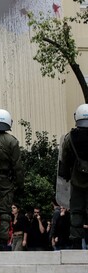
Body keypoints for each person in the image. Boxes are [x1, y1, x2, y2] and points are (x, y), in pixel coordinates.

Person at [0, 109, 24, 250]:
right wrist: (19, 183)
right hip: (6, 180)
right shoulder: (12, 141)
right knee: (5, 213)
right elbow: (17, 165)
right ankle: (2, 242)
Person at [59, 103, 88, 249]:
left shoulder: (70, 137)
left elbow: (65, 159)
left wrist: (65, 174)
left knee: (76, 210)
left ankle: (76, 240)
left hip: (77, 180)